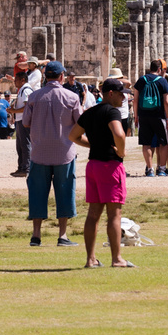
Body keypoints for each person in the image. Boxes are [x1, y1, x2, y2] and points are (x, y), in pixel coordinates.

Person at [69, 78, 133, 268]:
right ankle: (117, 258)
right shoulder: (112, 111)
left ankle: (90, 259)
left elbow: (73, 136)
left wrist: (93, 144)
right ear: (111, 93)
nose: (124, 98)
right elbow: (119, 134)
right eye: (121, 94)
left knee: (93, 214)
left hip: (93, 165)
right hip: (110, 165)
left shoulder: (90, 112)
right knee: (114, 213)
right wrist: (121, 151)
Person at [22, 61, 82, 247]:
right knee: (65, 191)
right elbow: (80, 122)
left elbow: (25, 122)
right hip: (64, 152)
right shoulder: (71, 97)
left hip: (39, 151)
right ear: (62, 76)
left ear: (45, 76)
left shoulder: (34, 97)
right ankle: (62, 235)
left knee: (37, 192)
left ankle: (36, 234)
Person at [132, 60, 168, 177]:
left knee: (146, 143)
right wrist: (167, 118)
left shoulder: (141, 80)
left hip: (143, 115)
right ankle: (161, 169)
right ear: (159, 69)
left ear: (150, 68)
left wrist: (136, 116)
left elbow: (135, 99)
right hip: (159, 115)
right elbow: (166, 101)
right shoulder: (162, 81)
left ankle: (149, 169)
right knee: (164, 143)